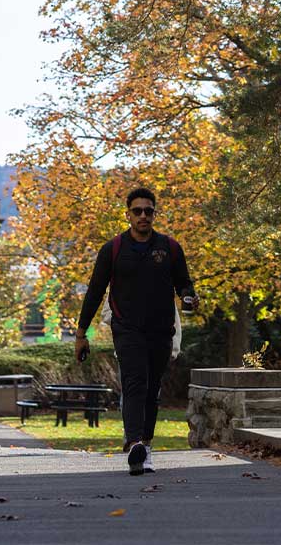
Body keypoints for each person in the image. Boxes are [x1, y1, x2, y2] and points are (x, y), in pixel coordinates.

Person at [75, 187, 197, 476]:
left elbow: (184, 283)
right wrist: (81, 334)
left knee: (152, 390)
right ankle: (134, 444)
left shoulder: (170, 248)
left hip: (161, 330)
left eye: (148, 211)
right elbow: (94, 292)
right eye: (137, 211)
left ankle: (146, 447)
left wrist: (189, 297)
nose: (143, 216)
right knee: (134, 383)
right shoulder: (113, 249)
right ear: (128, 214)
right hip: (127, 329)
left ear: (155, 214)